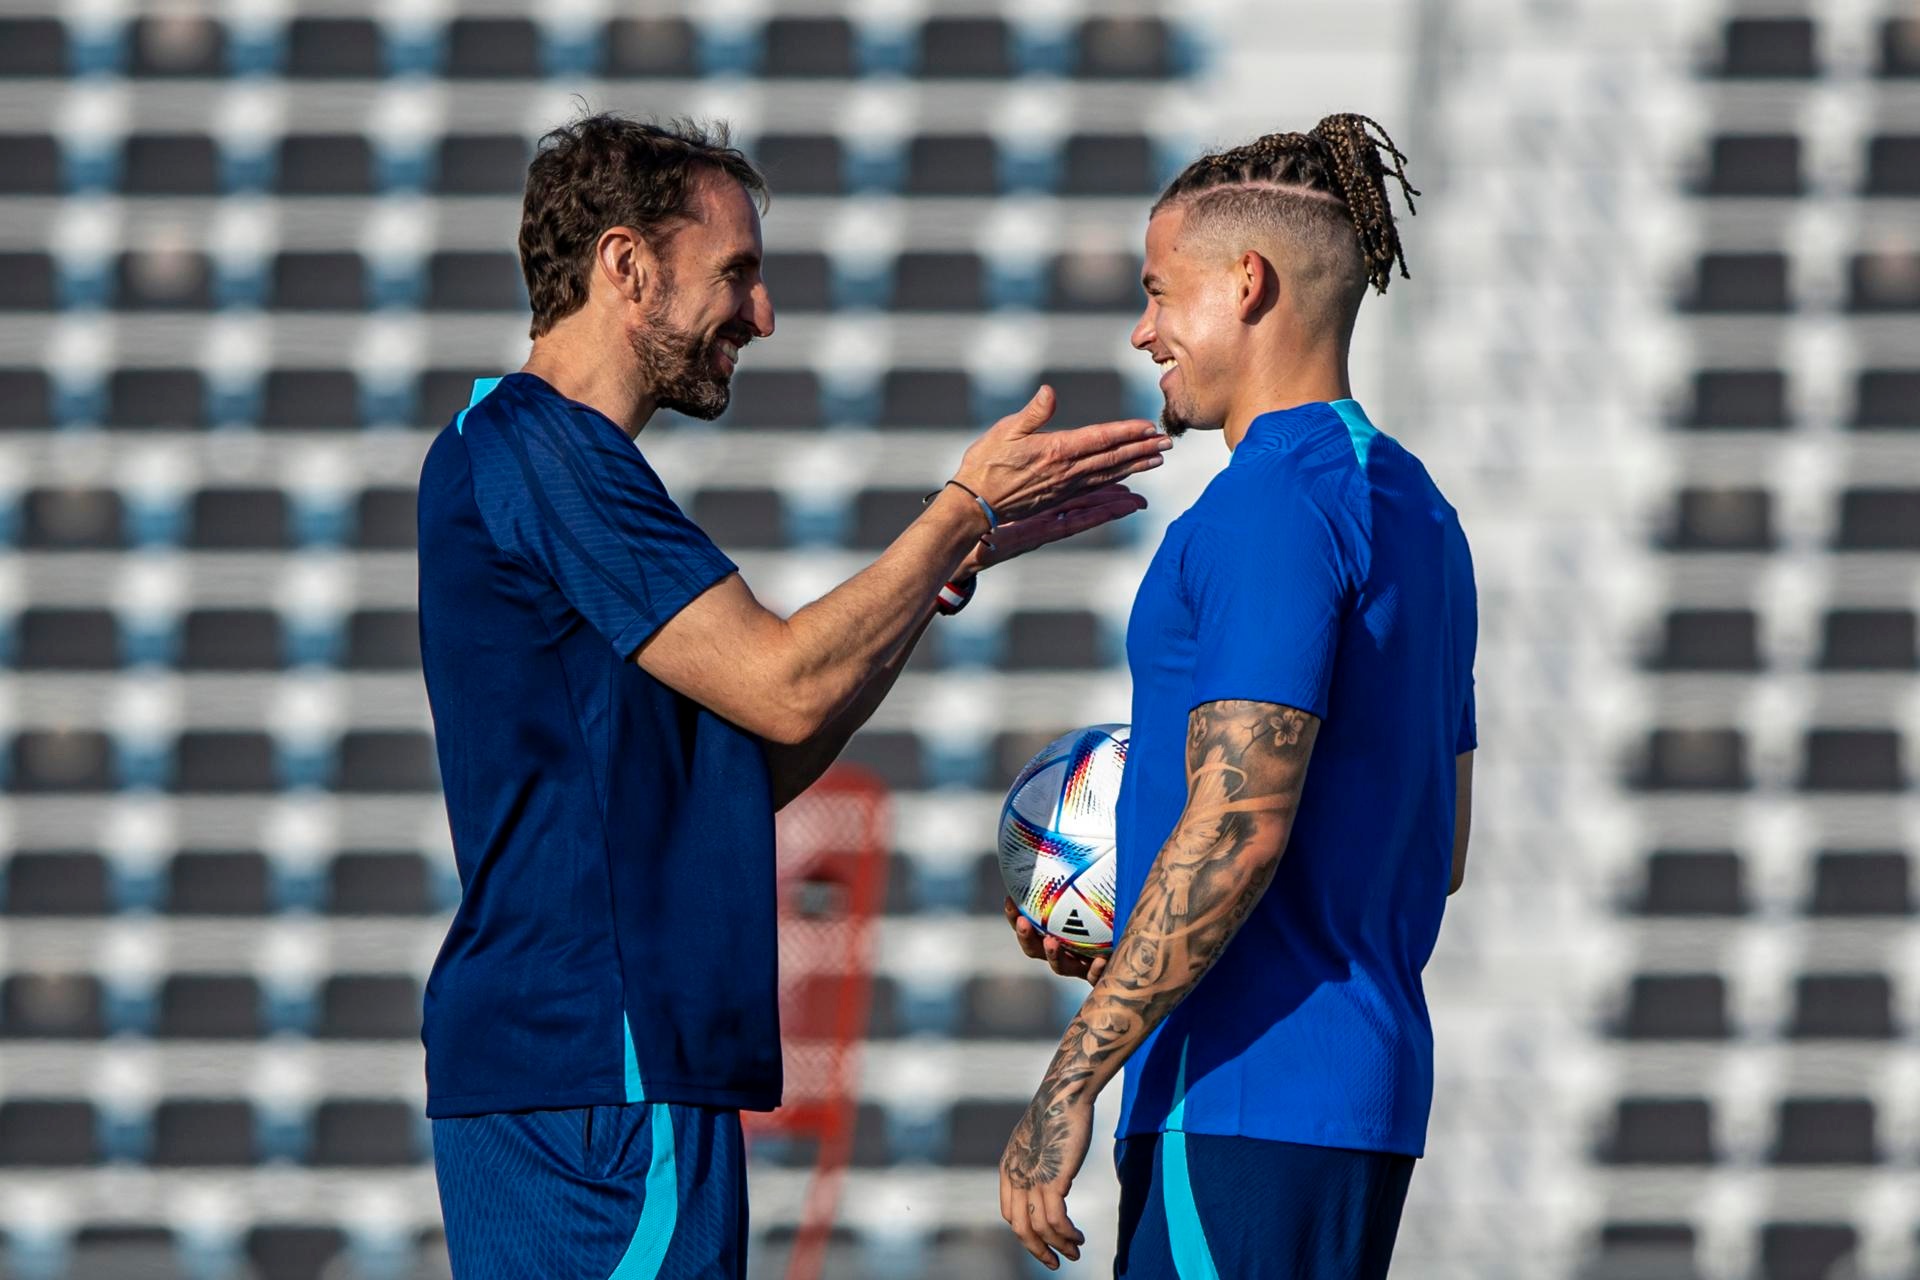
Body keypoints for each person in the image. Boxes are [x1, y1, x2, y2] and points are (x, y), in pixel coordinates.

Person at [416, 112, 1171, 1279]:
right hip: (599, 1068)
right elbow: (780, 682)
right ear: (626, 263)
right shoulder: (542, 450)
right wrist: (956, 512)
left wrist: (934, 577)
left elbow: (753, 759)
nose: (760, 315)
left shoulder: (544, 458)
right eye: (738, 272)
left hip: (583, 1067)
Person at [998, 114, 1478, 1279]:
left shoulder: (1268, 506)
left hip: (1240, 1085)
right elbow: (1441, 842)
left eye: (1161, 293)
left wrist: (1070, 1078)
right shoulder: (1422, 513)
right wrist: (1131, 935)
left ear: (1247, 283)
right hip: (1347, 1091)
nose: (1143, 328)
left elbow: (1241, 822)